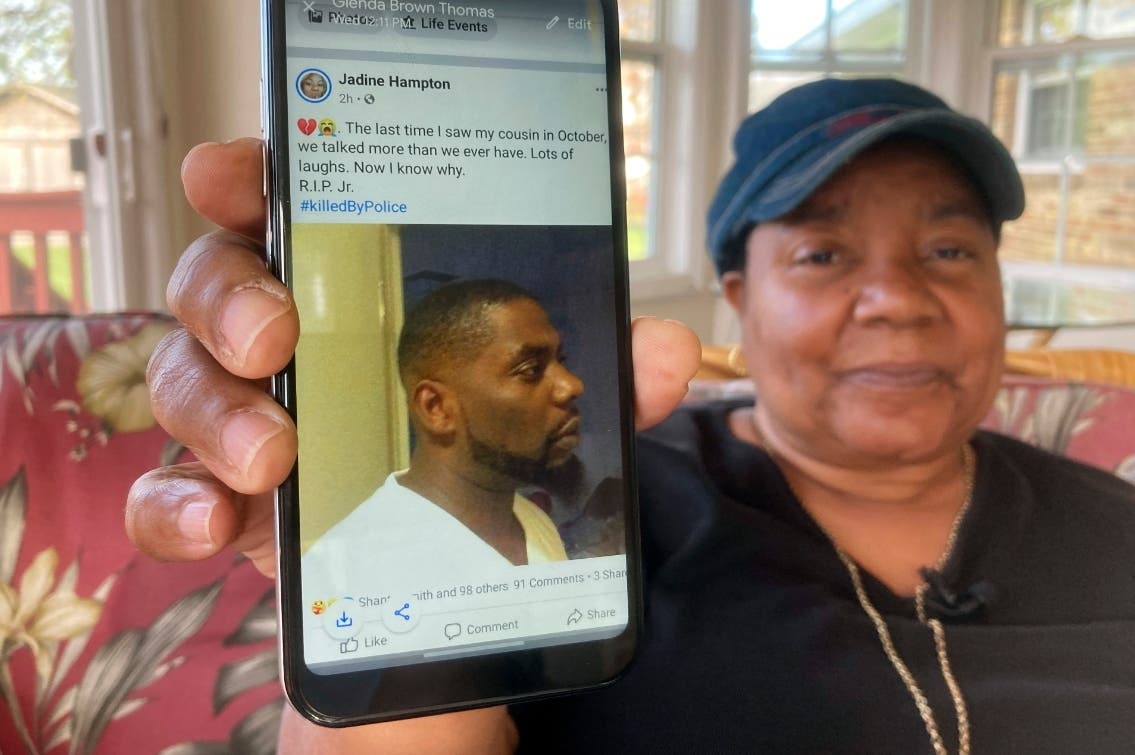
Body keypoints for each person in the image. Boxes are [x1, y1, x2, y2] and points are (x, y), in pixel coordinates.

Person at [130, 78, 1135, 754]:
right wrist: (379, 631)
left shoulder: (1116, 526)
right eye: (823, 254)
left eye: (949, 251)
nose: (899, 299)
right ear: (739, 299)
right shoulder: (599, 516)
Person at [303, 278, 582, 604]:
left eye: (561, 361)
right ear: (436, 407)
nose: (572, 385)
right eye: (530, 369)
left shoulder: (533, 522)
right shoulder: (343, 576)